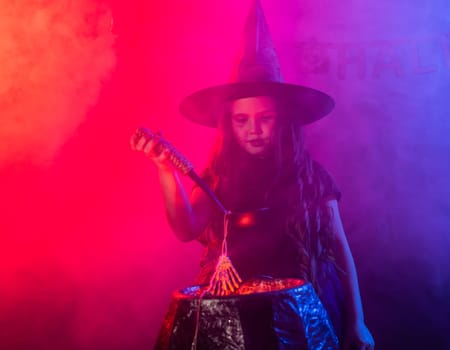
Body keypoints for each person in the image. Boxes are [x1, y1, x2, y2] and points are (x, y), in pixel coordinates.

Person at [131, 1, 374, 349]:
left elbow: (340, 249)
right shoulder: (221, 178)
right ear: (228, 125)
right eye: (241, 120)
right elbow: (186, 228)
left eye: (265, 118)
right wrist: (163, 169)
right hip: (234, 322)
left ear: (283, 121)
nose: (254, 129)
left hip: (303, 318)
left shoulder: (311, 179)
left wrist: (358, 322)